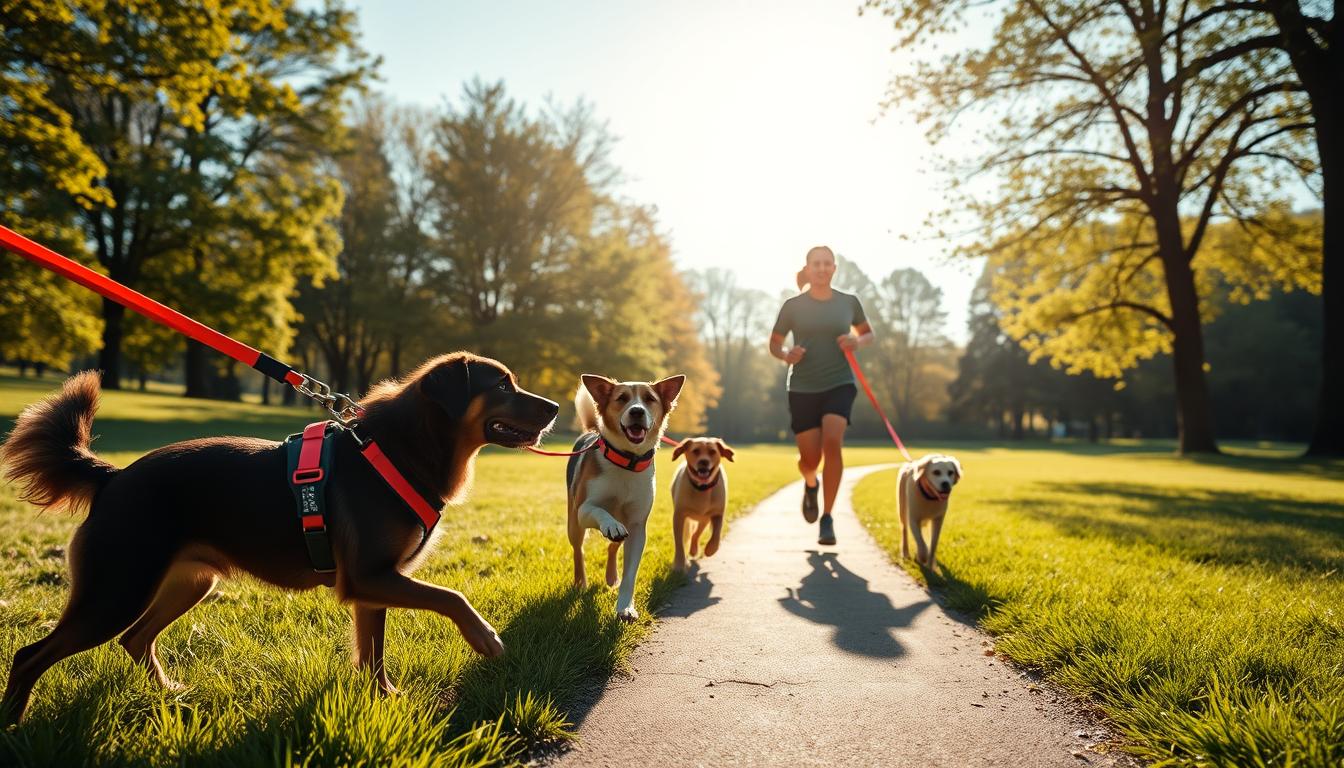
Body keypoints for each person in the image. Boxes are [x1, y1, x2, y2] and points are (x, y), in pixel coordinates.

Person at [767, 245, 874, 546]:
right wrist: (787, 354)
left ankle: (827, 517)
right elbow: (774, 343)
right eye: (817, 263)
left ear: (834, 268)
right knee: (809, 459)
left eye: (828, 263)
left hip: (840, 382)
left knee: (832, 441)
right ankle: (810, 483)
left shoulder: (848, 302)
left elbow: (868, 334)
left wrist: (857, 341)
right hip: (802, 387)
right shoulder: (793, 306)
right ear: (808, 267)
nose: (822, 268)